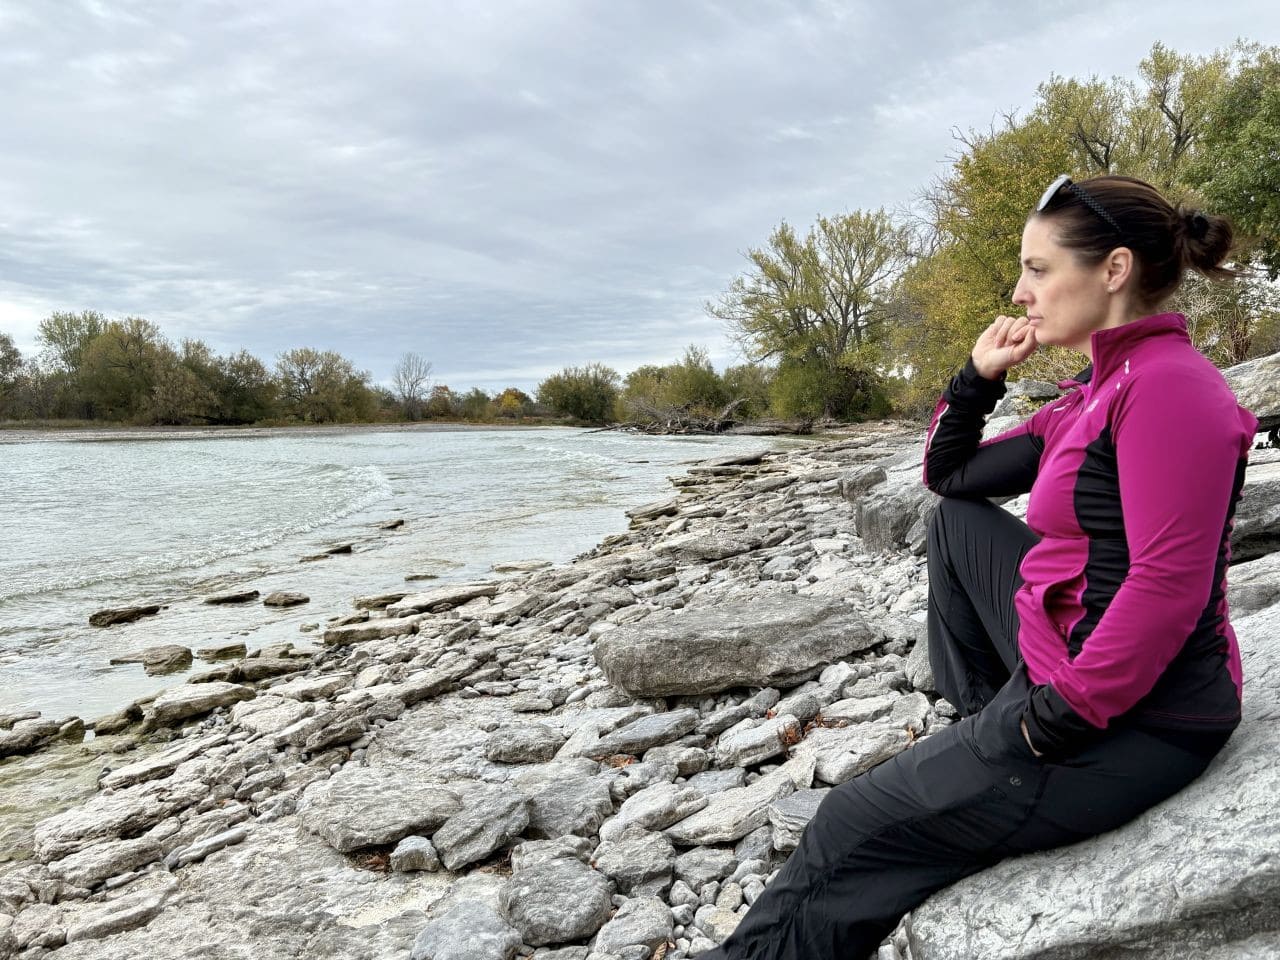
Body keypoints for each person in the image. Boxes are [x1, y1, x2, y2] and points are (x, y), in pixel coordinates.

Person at [702, 174, 1259, 960]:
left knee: (850, 823)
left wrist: (1040, 726)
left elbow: (1169, 587)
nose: (1021, 291)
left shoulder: (1170, 389)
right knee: (957, 525)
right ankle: (977, 724)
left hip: (1139, 720)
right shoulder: (1092, 392)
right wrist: (976, 380)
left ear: (1113, 270)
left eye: (1038, 268)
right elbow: (951, 476)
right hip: (1071, 654)